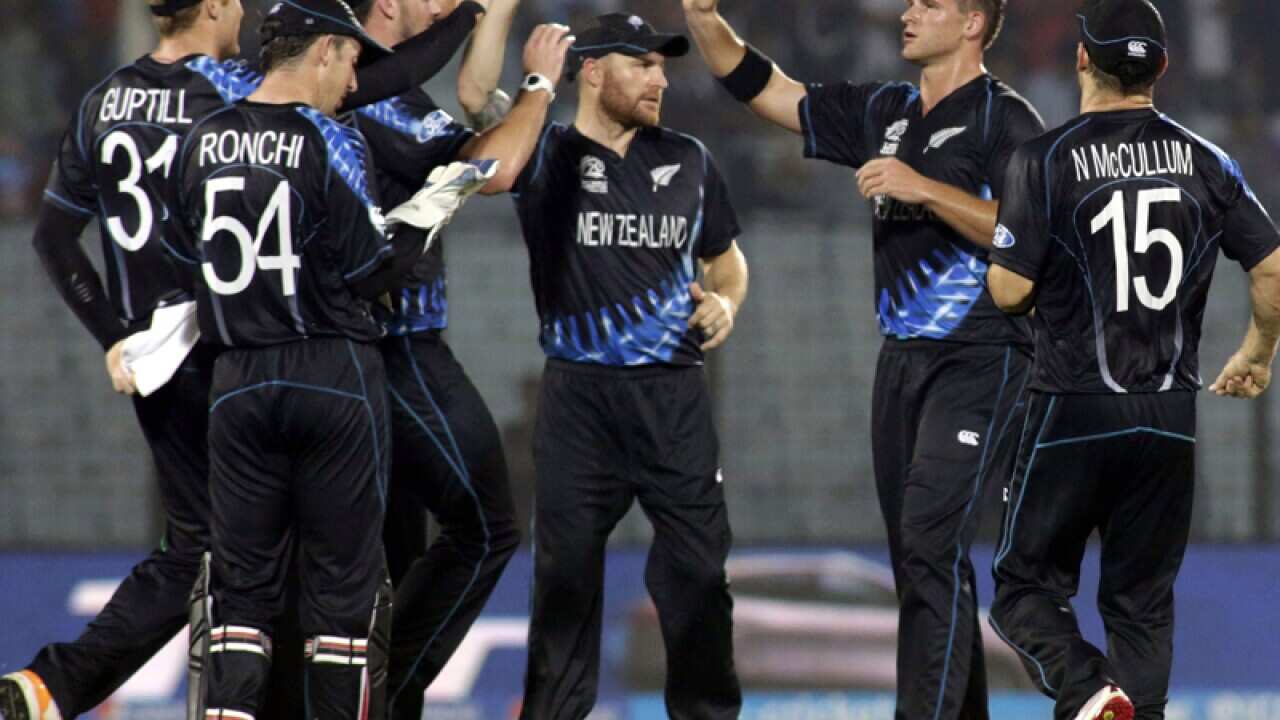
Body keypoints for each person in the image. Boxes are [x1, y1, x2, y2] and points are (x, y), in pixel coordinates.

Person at [0, 0, 489, 717]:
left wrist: (114, 334)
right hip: (250, 345)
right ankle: (71, 685)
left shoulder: (105, 100)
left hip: (163, 357)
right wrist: (469, 19)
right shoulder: (234, 94)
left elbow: (55, 236)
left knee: (216, 561)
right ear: (218, 7)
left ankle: (52, 687)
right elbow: (373, 99)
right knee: (284, 568)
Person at [679, 0, 1044, 717]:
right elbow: (769, 90)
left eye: (928, 4)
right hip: (901, 362)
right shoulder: (887, 111)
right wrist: (703, 20)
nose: (907, 13)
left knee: (928, 541)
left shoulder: (1008, 119)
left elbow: (1030, 232)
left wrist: (924, 189)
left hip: (982, 356)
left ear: (972, 24)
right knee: (923, 560)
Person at [174, 0, 493, 715]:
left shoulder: (202, 139)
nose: (354, 84)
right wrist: (436, 206)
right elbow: (370, 267)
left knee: (239, 600)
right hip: (331, 375)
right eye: (350, 62)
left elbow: (183, 252)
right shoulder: (329, 138)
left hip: (236, 381)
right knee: (343, 602)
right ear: (321, 52)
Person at [985, 2, 1280, 719]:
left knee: (1025, 590)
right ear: (1163, 68)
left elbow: (1010, 290)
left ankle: (1088, 691)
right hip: (1169, 417)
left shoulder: (1044, 158)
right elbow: (1271, 267)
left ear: (1081, 59)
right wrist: (1257, 351)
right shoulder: (1208, 163)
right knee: (1141, 605)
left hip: (1073, 406)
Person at [512, 13, 749, 719]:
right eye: (642, 64)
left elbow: (727, 263)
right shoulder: (544, 155)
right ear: (591, 70)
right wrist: (519, 60)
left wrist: (728, 305)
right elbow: (477, 110)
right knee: (564, 583)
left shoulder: (690, 157)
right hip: (579, 399)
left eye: (662, 65)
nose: (660, 79)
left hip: (673, 396)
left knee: (701, 575)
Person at [346, 0, 572, 717]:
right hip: (397, 348)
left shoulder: (372, 88)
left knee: (398, 562)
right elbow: (492, 167)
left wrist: (496, 16)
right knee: (487, 526)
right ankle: (375, 697)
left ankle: (375, 699)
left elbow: (475, 113)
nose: (446, 7)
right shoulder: (366, 89)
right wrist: (538, 86)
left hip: (373, 350)